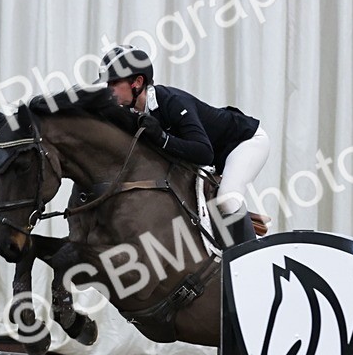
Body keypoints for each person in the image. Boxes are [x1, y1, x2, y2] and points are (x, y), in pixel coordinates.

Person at [98, 45, 270, 245]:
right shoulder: (134, 113)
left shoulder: (172, 102)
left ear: (137, 82)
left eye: (113, 84)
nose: (108, 91)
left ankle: (250, 261)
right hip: (216, 155)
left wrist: (162, 138)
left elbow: (204, 153)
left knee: (227, 198)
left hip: (246, 142)